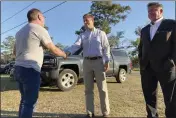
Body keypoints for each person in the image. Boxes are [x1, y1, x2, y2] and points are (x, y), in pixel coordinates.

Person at [13, 8, 66, 118]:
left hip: (18, 69)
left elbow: (14, 52)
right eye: (44, 17)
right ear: (39, 17)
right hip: (30, 69)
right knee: (29, 103)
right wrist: (64, 54)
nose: (44, 20)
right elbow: (53, 49)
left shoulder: (19, 32)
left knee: (24, 100)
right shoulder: (39, 29)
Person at [67, 14, 110, 118]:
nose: (85, 22)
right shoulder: (83, 35)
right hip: (86, 62)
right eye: (84, 21)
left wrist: (106, 61)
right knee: (88, 89)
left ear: (92, 20)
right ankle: (90, 112)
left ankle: (105, 112)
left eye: (87, 20)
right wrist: (67, 52)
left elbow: (106, 47)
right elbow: (76, 45)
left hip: (99, 61)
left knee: (102, 88)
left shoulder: (101, 33)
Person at [138, 2, 176, 118]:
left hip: (166, 68)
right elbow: (141, 47)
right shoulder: (144, 30)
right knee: (149, 98)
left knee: (170, 99)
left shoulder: (172, 24)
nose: (151, 13)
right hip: (147, 68)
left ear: (161, 11)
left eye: (153, 10)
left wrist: (171, 62)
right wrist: (142, 62)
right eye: (149, 11)